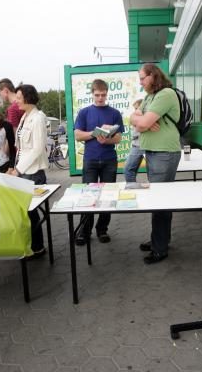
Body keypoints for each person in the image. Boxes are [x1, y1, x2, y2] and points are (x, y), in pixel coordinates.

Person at [130, 63, 181, 264]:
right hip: (152, 153)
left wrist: (142, 122)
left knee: (160, 201)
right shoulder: (150, 97)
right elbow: (132, 118)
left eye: (142, 77)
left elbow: (140, 123)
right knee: (158, 199)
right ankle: (158, 240)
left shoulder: (165, 94)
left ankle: (160, 248)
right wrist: (142, 120)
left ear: (153, 76)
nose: (140, 81)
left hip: (164, 153)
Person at [73, 79, 124, 245]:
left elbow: (118, 139)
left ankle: (102, 230)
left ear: (107, 94)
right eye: (97, 95)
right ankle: (84, 232)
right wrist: (95, 134)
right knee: (88, 196)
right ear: (92, 94)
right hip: (91, 160)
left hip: (109, 160)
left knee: (108, 197)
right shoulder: (84, 112)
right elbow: (78, 135)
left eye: (103, 95)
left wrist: (106, 141)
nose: (100, 98)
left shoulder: (115, 113)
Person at [7, 84, 49, 257]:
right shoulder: (25, 116)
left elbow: (37, 149)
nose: (16, 101)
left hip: (33, 173)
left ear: (28, 97)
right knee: (25, 213)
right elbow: (21, 148)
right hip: (23, 171)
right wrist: (14, 167)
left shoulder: (38, 117)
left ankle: (37, 248)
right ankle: (31, 246)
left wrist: (17, 169)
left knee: (31, 213)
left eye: (18, 97)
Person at [123, 99, 145, 182]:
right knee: (130, 170)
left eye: (136, 109)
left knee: (128, 170)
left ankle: (131, 187)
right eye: (134, 109)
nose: (135, 111)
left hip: (139, 146)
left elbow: (137, 133)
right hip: (137, 145)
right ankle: (133, 187)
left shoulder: (143, 118)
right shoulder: (137, 117)